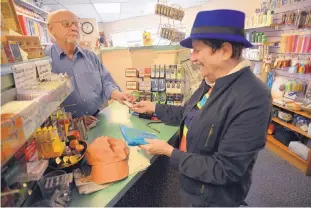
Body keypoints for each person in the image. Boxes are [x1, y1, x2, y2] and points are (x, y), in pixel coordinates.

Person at [132, 9, 272, 207]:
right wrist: (153, 106)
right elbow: (188, 113)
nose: (193, 58)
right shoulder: (212, 81)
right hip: (193, 183)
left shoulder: (253, 98)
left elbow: (226, 169)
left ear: (225, 51)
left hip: (213, 198)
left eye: (197, 49)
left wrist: (170, 153)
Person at [46, 10, 135, 123]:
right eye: (66, 23)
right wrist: (74, 123)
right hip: (64, 129)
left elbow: (105, 81)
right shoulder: (44, 61)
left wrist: (117, 94)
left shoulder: (91, 57)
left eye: (76, 24)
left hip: (97, 118)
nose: (74, 28)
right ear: (51, 28)